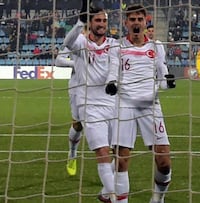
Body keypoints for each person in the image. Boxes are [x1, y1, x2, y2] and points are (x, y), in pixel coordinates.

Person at [113, 4, 176, 203]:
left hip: (151, 105)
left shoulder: (156, 47)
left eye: (140, 19)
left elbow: (163, 76)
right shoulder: (118, 46)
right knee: (121, 160)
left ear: (145, 21)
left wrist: (168, 82)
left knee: (164, 161)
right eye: (132, 20)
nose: (136, 23)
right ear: (126, 23)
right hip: (125, 105)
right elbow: (112, 74)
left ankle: (158, 198)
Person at [63, 0, 120, 202]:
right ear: (90, 23)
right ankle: (115, 197)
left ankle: (106, 193)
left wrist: (113, 81)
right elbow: (67, 44)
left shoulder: (114, 44)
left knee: (121, 153)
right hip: (88, 102)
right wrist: (80, 22)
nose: (102, 24)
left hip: (112, 103)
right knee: (101, 150)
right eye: (97, 20)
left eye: (104, 20)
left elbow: (115, 65)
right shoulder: (81, 42)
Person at [55, 44, 82, 176]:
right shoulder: (75, 40)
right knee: (78, 124)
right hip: (77, 86)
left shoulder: (106, 41)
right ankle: (72, 153)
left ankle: (111, 167)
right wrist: (77, 63)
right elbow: (59, 61)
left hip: (99, 85)